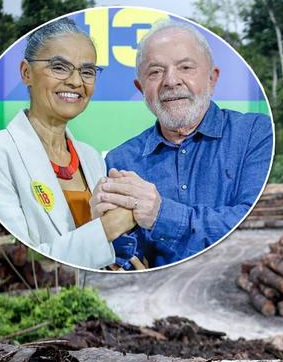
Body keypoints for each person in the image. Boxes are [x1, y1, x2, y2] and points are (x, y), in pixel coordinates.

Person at [90, 19, 273, 270]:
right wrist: (103, 234)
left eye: (185, 67)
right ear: (141, 88)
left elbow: (257, 227)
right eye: (155, 72)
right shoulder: (120, 160)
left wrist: (161, 214)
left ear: (212, 78)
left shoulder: (255, 133)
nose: (171, 81)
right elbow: (128, 261)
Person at [0, 18, 136, 269]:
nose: (76, 82)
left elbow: (102, 251)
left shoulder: (91, 158)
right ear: (26, 72)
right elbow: (18, 260)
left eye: (87, 71)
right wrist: (108, 228)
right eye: (59, 67)